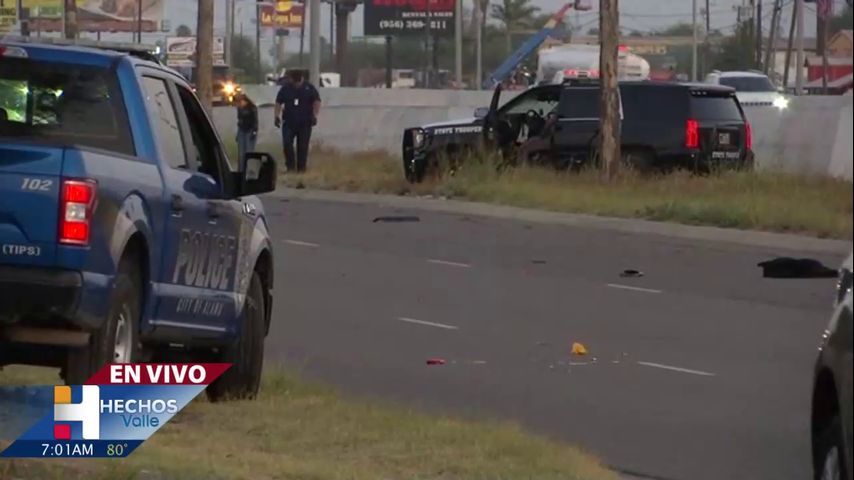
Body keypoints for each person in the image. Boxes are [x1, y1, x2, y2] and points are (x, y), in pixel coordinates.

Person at [274, 70, 321, 173]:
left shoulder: (309, 88)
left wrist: (314, 115)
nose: (294, 85)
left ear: (300, 80)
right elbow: (278, 102)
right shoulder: (286, 88)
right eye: (292, 82)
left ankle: (301, 169)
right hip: (289, 122)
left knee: (303, 146)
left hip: (305, 123)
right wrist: (276, 116)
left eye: (296, 82)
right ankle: (290, 167)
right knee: (287, 144)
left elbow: (317, 101)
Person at [235, 93, 258, 170]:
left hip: (250, 131)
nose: (239, 104)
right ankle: (241, 169)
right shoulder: (239, 109)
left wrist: (254, 131)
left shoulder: (252, 108)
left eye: (240, 102)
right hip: (241, 130)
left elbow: (255, 121)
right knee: (241, 153)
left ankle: (248, 169)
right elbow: (239, 120)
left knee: (249, 152)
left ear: (245, 101)